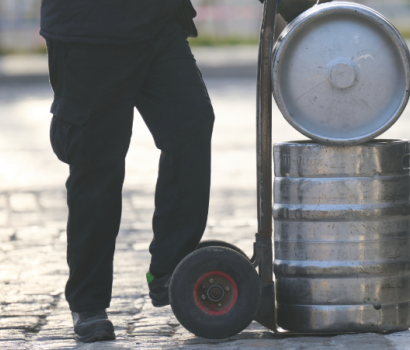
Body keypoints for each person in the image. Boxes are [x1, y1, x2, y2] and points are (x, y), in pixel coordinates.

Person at [40, 0, 323, 343]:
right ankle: (88, 304)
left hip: (158, 24)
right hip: (89, 31)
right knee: (97, 165)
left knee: (190, 125)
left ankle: (169, 270)